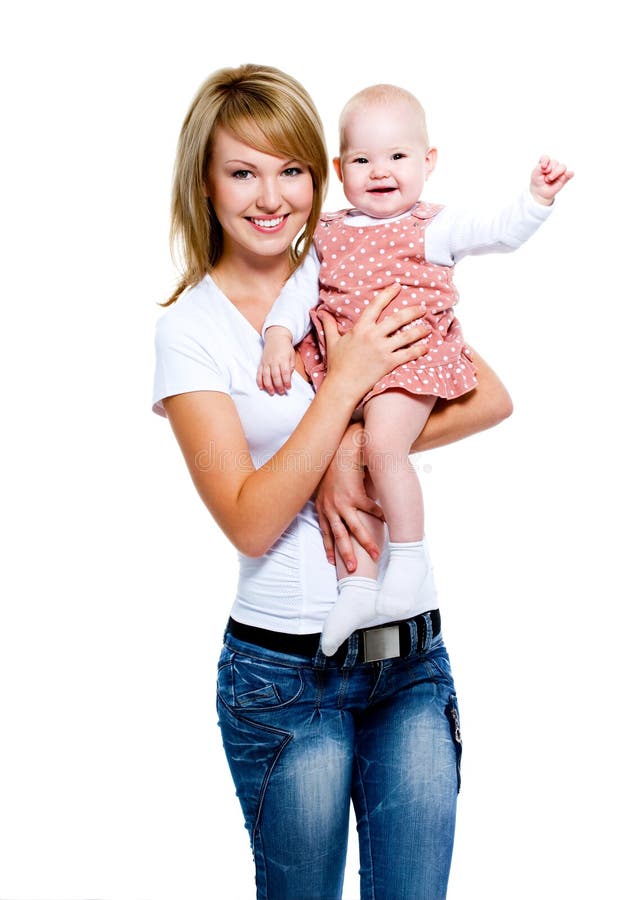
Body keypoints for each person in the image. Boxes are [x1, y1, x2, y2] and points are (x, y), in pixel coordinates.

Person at [152, 64, 513, 900]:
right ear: (204, 186)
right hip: (287, 680)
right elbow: (249, 518)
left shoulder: (363, 261)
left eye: (291, 169)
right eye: (242, 171)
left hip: (412, 664)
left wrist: (347, 447)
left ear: (322, 176)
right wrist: (346, 386)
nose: (270, 195)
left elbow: (487, 397)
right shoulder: (191, 333)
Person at [257, 83, 573, 656]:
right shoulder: (326, 232)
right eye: (362, 159)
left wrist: (535, 200)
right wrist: (278, 337)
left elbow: (500, 231)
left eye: (398, 156)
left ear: (428, 163)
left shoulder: (433, 226)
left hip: (409, 362)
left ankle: (407, 556)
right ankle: (356, 584)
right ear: (340, 168)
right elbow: (296, 293)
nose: (380, 171)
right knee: (343, 468)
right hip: (340, 368)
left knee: (381, 449)